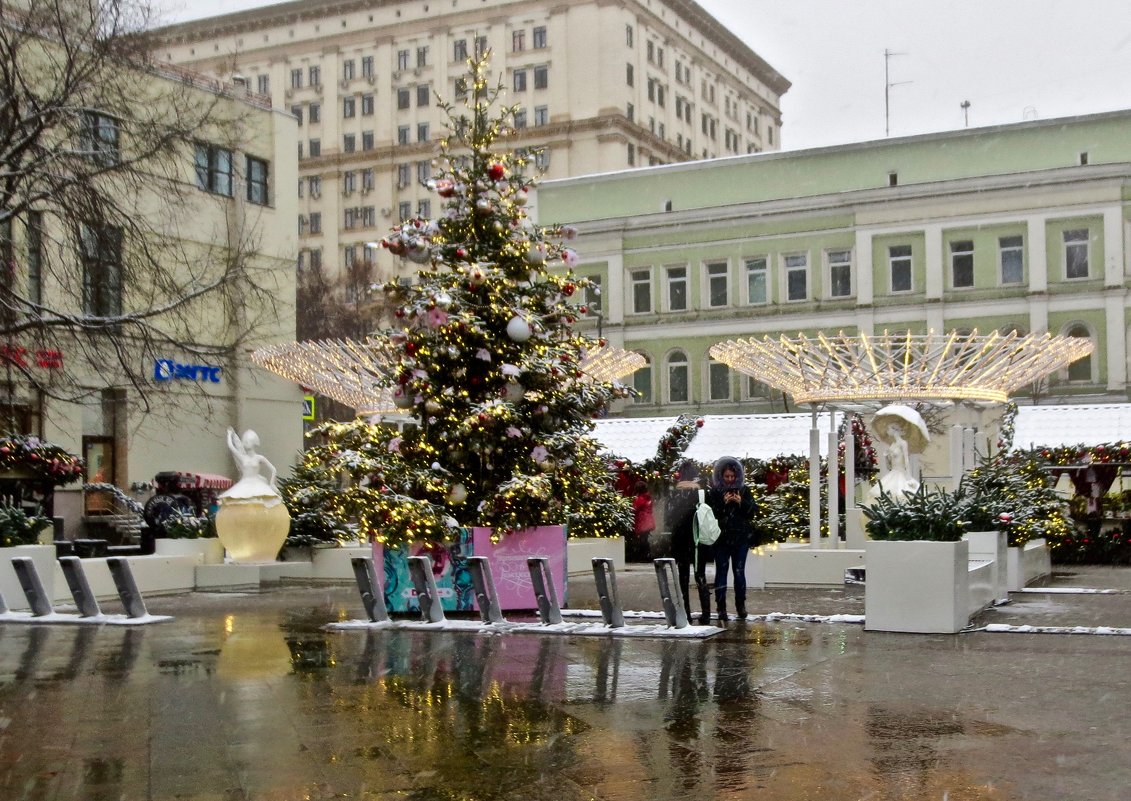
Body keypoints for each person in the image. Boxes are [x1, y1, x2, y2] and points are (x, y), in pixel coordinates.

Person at [706, 456, 756, 622]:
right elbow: (711, 514)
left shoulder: (743, 490)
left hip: (740, 538)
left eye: (732, 477)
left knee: (739, 572)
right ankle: (721, 607)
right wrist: (723, 503)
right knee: (721, 572)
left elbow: (752, 512)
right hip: (721, 539)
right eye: (726, 477)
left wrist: (741, 502)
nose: (729, 480)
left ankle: (740, 605)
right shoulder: (714, 492)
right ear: (721, 476)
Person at [669, 461, 713, 625]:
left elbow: (669, 519)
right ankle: (706, 614)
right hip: (698, 540)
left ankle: (685, 613)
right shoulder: (702, 494)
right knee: (700, 576)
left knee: (683, 578)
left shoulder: (675, 495)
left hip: (680, 541)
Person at [220, 428, 281, 501]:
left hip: (257, 484)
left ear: (253, 443)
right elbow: (231, 447)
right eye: (244, 442)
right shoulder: (242, 457)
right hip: (244, 484)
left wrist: (272, 483)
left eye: (247, 442)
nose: (245, 444)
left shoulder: (259, 458)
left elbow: (273, 469)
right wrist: (229, 434)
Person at [630, 480, 655, 563]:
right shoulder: (648, 497)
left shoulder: (640, 499)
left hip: (643, 522)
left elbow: (634, 508)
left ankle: (645, 556)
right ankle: (647, 555)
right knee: (644, 539)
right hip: (648, 521)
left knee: (642, 540)